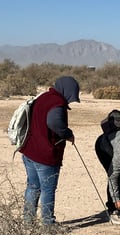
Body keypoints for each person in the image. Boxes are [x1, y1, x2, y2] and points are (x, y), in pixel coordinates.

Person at [19, 76, 80, 225]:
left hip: (29, 151)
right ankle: (48, 224)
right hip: (45, 155)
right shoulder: (57, 103)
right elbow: (54, 123)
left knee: (33, 187)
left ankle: (28, 221)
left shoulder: (44, 97)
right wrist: (67, 134)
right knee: (47, 189)